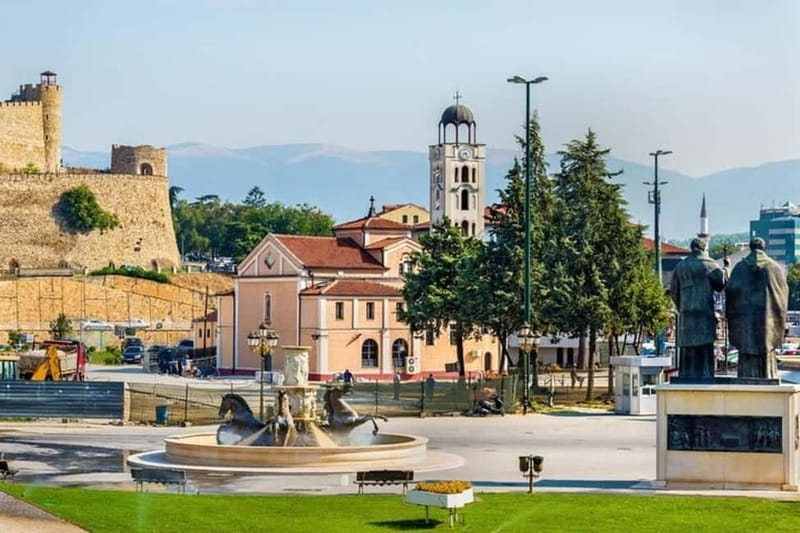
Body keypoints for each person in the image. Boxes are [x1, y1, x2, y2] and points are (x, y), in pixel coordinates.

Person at [725, 237, 788, 379]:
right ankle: (767, 376)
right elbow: (782, 294)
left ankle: (747, 376)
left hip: (745, 321)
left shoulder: (740, 268)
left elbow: (731, 292)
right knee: (766, 345)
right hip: (767, 321)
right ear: (763, 247)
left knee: (747, 347)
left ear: (751, 247)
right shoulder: (774, 267)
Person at [669, 237, 728, 379]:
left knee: (688, 347)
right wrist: (727, 268)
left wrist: (682, 306)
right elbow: (721, 284)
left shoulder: (680, 267)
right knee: (704, 346)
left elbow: (674, 291)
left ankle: (687, 374)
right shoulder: (709, 264)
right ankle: (705, 374)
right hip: (704, 313)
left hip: (686, 313)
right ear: (703, 248)